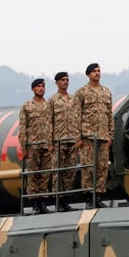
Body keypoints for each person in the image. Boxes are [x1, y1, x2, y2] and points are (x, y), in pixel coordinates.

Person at [73, 63, 114, 209]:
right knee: (88, 168)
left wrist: (111, 135)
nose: (97, 73)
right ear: (88, 74)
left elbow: (109, 115)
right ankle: (89, 198)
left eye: (98, 71)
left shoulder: (106, 92)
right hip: (88, 136)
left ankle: (99, 195)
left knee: (102, 167)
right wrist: (79, 137)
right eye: (94, 71)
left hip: (103, 136)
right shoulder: (81, 92)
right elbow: (76, 116)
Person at [18, 78, 53, 215]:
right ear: (33, 89)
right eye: (38, 86)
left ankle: (43, 202)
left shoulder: (49, 105)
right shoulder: (27, 106)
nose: (41, 88)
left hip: (46, 145)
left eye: (43, 86)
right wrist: (23, 147)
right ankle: (34, 204)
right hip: (33, 145)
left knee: (45, 175)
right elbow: (22, 127)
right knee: (33, 175)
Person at [48, 71, 77, 211]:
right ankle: (58, 201)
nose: (65, 82)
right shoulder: (53, 101)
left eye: (67, 80)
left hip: (72, 140)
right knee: (57, 172)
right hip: (58, 141)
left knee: (70, 172)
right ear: (57, 83)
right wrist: (50, 142)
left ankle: (66, 200)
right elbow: (48, 122)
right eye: (62, 80)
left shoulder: (73, 99)